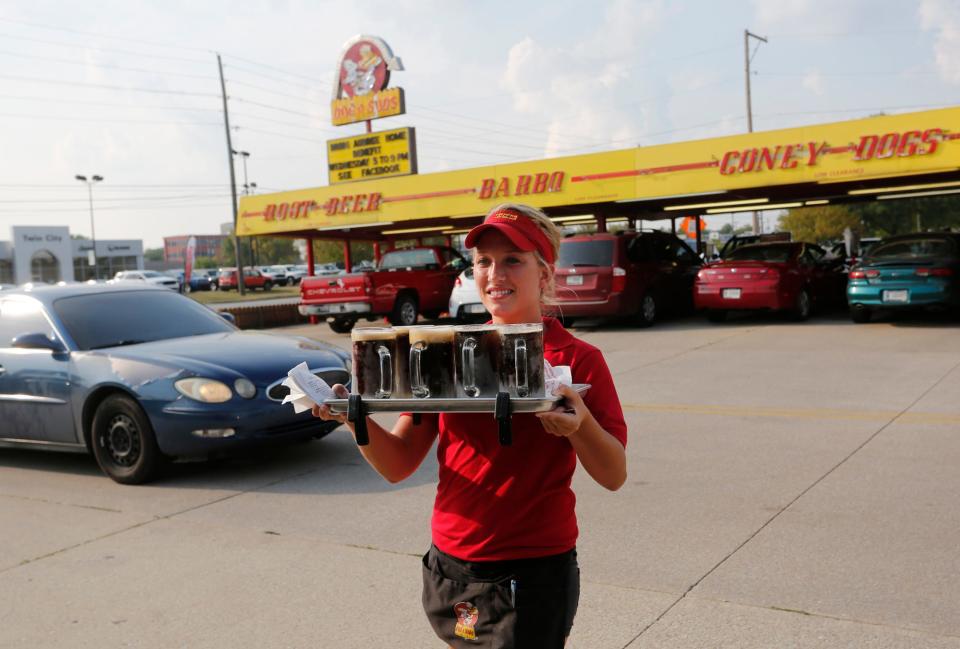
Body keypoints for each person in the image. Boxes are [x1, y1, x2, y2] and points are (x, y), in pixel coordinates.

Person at [313, 202, 628, 648]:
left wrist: (579, 425)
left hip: (531, 571)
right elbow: (399, 463)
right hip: (451, 564)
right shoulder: (445, 352)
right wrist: (352, 418)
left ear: (543, 274)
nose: (494, 273)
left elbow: (614, 474)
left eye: (512, 260)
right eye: (483, 261)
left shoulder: (577, 360)